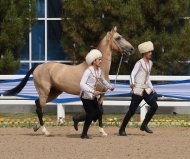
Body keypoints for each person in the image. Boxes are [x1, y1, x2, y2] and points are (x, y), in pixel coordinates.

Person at [73, 49, 114, 139]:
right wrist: (92, 91)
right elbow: (82, 84)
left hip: (92, 96)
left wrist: (110, 86)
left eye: (100, 59)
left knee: (98, 112)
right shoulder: (88, 71)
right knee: (91, 114)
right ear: (94, 61)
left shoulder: (99, 71)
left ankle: (77, 119)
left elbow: (103, 80)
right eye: (99, 59)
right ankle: (84, 134)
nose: (101, 61)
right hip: (85, 96)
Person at [119, 41, 158, 136]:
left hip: (146, 89)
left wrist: (152, 88)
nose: (151, 53)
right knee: (132, 110)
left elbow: (148, 77)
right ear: (144, 53)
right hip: (138, 90)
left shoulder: (150, 63)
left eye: (151, 52)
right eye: (149, 52)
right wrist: (132, 83)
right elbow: (132, 74)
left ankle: (144, 125)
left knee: (154, 106)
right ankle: (122, 129)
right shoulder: (139, 63)